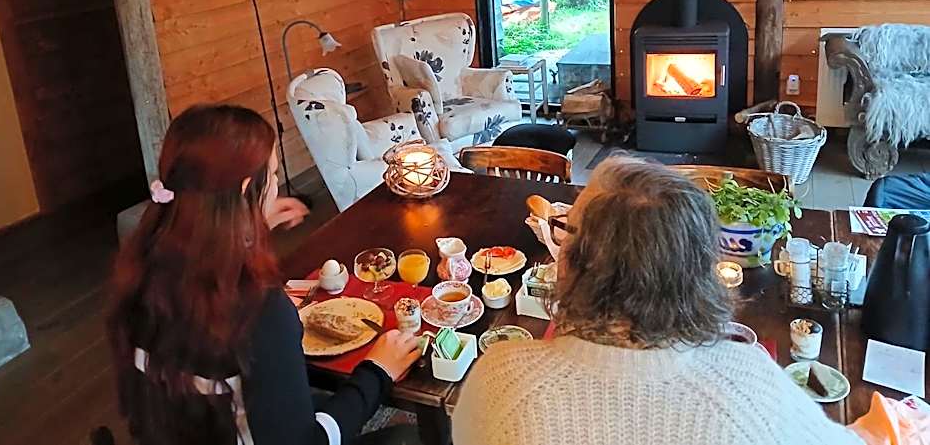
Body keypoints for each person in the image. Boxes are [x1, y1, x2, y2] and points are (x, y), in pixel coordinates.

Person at [452, 156, 862, 445]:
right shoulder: (751, 385)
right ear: (700, 267)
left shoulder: (500, 377)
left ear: (574, 263)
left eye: (566, 230)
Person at [108, 104, 421, 445]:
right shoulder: (260, 313)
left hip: (184, 431)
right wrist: (378, 371)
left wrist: (250, 224)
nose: (276, 184)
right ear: (245, 190)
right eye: (272, 175)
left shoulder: (142, 268)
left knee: (317, 401)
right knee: (406, 437)